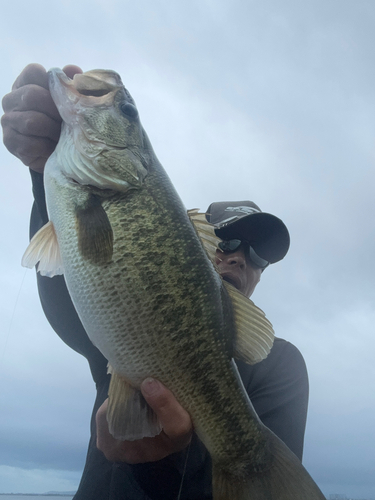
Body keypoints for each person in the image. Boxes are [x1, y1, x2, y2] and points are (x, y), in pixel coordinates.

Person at [2, 64, 309, 500]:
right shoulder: (115, 338)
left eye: (259, 255)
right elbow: (77, 298)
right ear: (194, 245)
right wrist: (42, 178)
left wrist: (166, 462)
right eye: (228, 239)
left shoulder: (280, 365)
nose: (241, 256)